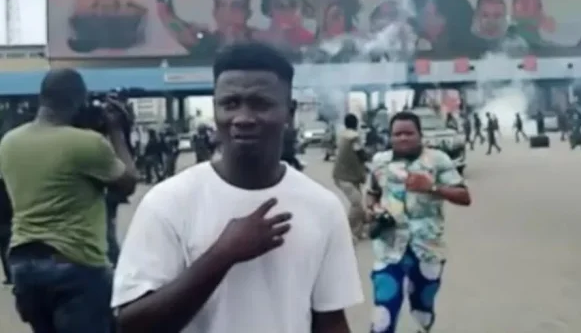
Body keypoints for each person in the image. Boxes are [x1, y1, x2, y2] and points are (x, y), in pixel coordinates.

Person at [111, 43, 363, 333]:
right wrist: (222, 255)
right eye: (230, 104)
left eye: (260, 104)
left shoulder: (323, 207)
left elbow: (330, 321)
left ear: (289, 113)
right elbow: (132, 325)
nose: (243, 118)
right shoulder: (168, 202)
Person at [0, 68, 138, 333]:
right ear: (79, 100)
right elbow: (129, 182)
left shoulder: (9, 142)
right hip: (76, 266)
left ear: (42, 97)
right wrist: (117, 131)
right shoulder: (86, 143)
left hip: (24, 267)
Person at [366, 111, 472, 333]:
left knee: (422, 311)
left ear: (420, 135)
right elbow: (372, 193)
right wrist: (373, 210)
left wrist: (432, 187)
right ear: (390, 136)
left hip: (427, 248)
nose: (403, 138)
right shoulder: (379, 162)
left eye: (409, 133)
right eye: (398, 134)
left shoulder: (438, 159)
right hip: (388, 247)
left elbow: (464, 197)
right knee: (384, 310)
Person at [332, 113, 370, 242]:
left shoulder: (342, 135)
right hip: (346, 177)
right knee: (357, 203)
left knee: (359, 205)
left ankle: (358, 231)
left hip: (344, 175)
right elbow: (361, 154)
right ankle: (347, 232)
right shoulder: (354, 137)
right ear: (356, 123)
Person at [0, 177, 11, 285]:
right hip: (8, 222)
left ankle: (9, 275)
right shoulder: (8, 187)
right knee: (8, 249)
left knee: (3, 251)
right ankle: (11, 274)